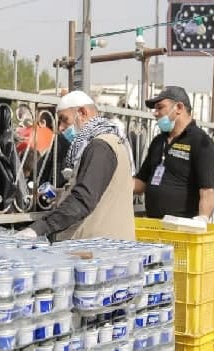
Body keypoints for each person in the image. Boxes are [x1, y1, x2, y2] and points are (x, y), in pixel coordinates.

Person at [15, 91, 135, 241]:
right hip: (101, 242)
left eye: (64, 120)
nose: (60, 128)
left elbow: (83, 199)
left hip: (102, 245)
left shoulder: (101, 146)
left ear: (82, 113)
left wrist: (39, 228)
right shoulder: (102, 143)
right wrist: (60, 194)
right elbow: (98, 190)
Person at [133, 86, 214, 222]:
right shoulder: (158, 141)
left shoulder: (200, 141)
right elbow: (141, 182)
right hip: (153, 224)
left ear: (178, 108)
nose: (155, 113)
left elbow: (207, 191)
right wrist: (116, 181)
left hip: (181, 227)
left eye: (160, 107)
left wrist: (202, 219)